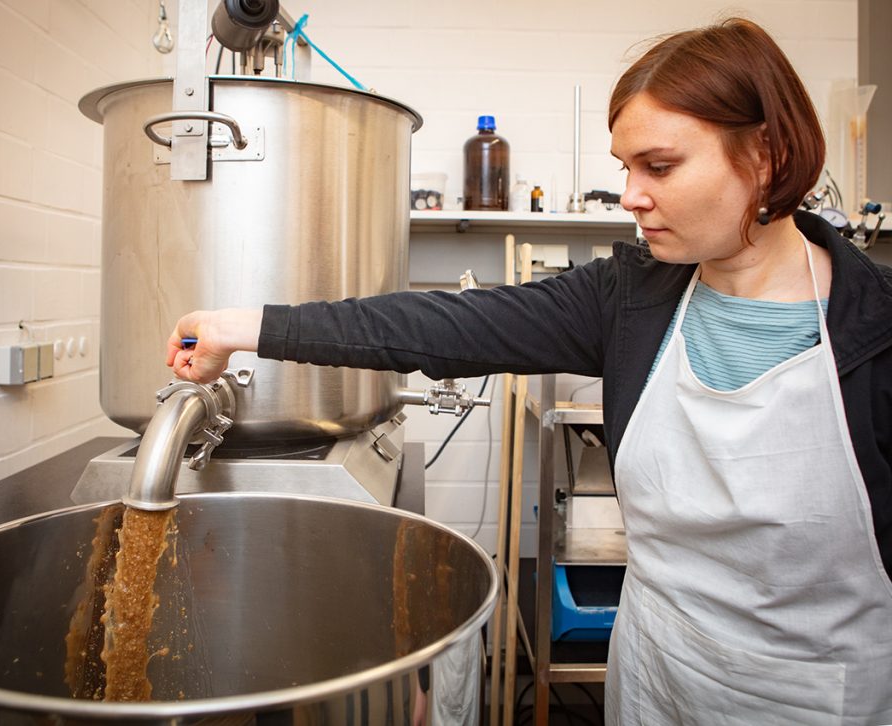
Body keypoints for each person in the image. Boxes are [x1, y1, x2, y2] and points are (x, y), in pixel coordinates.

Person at [166, 18, 892, 725]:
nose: (631, 195)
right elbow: (436, 328)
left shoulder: (877, 331)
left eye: (659, 167)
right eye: (626, 169)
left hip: (815, 698)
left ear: (763, 155)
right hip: (654, 681)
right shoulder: (632, 298)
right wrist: (244, 329)